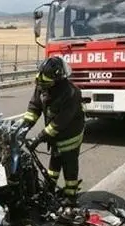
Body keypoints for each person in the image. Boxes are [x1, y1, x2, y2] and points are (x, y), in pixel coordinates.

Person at [21, 56, 86, 206]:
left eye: (47, 84)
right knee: (55, 159)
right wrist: (23, 127)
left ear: (58, 79)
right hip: (56, 134)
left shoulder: (71, 93)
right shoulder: (42, 85)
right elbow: (34, 108)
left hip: (71, 134)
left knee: (69, 163)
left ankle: (71, 196)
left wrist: (38, 138)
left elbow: (59, 123)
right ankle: (49, 189)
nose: (44, 88)